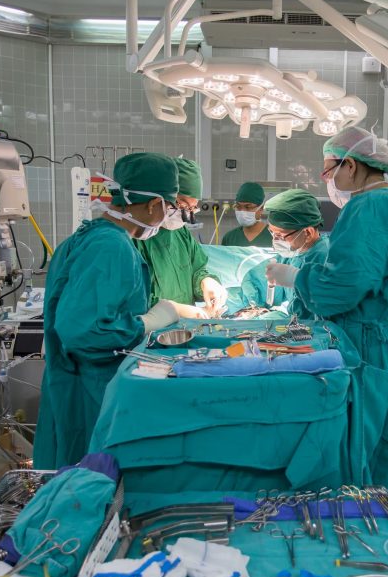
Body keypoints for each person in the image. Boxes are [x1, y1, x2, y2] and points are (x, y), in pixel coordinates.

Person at [266, 128, 388, 488]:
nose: (329, 180)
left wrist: (296, 277)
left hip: (377, 345)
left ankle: (380, 513)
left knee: (378, 436)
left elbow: (342, 288)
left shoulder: (370, 206)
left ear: (351, 166)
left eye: (328, 171)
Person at [34, 152, 206, 469]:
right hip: (90, 391)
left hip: (73, 384)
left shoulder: (86, 237)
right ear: (155, 205)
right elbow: (83, 332)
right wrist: (149, 321)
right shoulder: (111, 246)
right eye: (169, 207)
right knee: (93, 480)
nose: (168, 215)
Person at [134, 158, 228, 314]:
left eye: (192, 208)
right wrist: (180, 311)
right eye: (182, 205)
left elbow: (197, 270)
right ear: (159, 198)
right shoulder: (136, 236)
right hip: (149, 331)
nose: (185, 215)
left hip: (183, 331)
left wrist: (206, 282)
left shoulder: (180, 232)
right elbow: (132, 299)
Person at [241, 188, 329, 319]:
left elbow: (321, 316)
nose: (275, 241)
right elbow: (256, 281)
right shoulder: (293, 255)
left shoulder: (326, 259)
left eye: (280, 235)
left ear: (308, 233)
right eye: (272, 233)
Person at [221, 181, 273, 247]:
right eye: (238, 206)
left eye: (248, 207)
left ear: (261, 208)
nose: (242, 211)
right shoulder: (229, 238)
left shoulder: (274, 237)